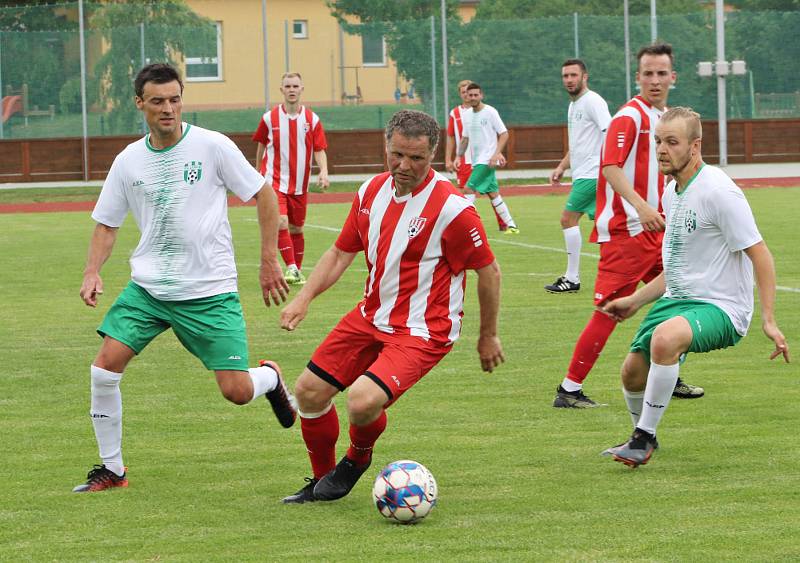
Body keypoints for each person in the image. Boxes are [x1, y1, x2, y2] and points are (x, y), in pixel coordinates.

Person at [73, 63, 295, 493]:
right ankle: (111, 470)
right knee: (103, 370)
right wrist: (92, 270)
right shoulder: (128, 161)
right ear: (140, 104)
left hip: (209, 291)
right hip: (149, 290)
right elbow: (106, 224)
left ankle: (268, 377)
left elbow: (264, 194)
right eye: (158, 101)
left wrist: (269, 259)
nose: (168, 109)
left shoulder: (212, 146)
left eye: (175, 99)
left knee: (235, 391)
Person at [278, 109, 504, 504]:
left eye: (416, 158)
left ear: (432, 154)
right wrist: (304, 297)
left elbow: (490, 272)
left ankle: (357, 458)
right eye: (397, 154)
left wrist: (488, 336)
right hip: (371, 315)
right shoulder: (370, 192)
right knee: (309, 392)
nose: (404, 165)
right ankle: (321, 482)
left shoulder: (453, 208)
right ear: (387, 146)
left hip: (423, 329)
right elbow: (339, 252)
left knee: (361, 400)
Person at [601, 107, 790, 467]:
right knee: (631, 372)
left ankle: (643, 438)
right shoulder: (672, 193)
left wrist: (768, 319)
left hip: (722, 307)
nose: (661, 149)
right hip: (678, 302)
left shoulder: (719, 192)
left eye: (672, 142)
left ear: (695, 146)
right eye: (657, 140)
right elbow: (677, 268)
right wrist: (636, 301)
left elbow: (761, 254)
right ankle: (640, 435)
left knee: (665, 339)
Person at [552, 43, 704, 409]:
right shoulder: (629, 116)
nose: (655, 80)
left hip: (656, 231)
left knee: (680, 297)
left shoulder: (668, 118)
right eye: (648, 74)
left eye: (661, 73)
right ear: (638, 78)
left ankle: (668, 370)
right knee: (610, 308)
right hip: (628, 232)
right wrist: (642, 207)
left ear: (673, 77)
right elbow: (611, 167)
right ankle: (569, 389)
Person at [252, 72, 329, 286]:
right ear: (282, 90)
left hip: (300, 184)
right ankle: (292, 267)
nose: (292, 90)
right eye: (288, 86)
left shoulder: (312, 120)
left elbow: (320, 149)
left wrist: (323, 171)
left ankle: (296, 271)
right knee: (281, 221)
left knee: (296, 228)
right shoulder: (269, 118)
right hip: (274, 180)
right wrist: (258, 171)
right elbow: (260, 145)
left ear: (302, 89)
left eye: (295, 86)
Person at [546, 59, 612, 294]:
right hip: (586, 174)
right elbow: (578, 144)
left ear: (585, 77)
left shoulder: (593, 101)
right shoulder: (573, 106)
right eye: (565, 76)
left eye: (574, 75)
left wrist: (608, 168)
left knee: (568, 219)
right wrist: (562, 166)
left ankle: (572, 278)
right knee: (607, 227)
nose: (569, 80)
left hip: (593, 175)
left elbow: (610, 133)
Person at [454, 82, 519, 234]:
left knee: (468, 189)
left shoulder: (490, 112)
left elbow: (504, 133)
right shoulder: (467, 115)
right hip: (477, 161)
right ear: (466, 97)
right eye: (470, 95)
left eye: (476, 95)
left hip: (487, 160)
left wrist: (496, 153)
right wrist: (458, 156)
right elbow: (465, 138)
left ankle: (467, 226)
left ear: (481, 95)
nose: (473, 97)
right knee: (493, 194)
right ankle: (512, 226)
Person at [445, 79, 507, 231]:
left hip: (482, 159)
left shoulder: (485, 112)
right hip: (464, 162)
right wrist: (449, 159)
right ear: (460, 95)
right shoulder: (456, 113)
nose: (467, 95)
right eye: (464, 92)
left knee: (482, 192)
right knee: (475, 191)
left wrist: (498, 153)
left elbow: (495, 134)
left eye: (469, 91)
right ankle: (471, 224)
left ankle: (496, 224)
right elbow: (451, 137)